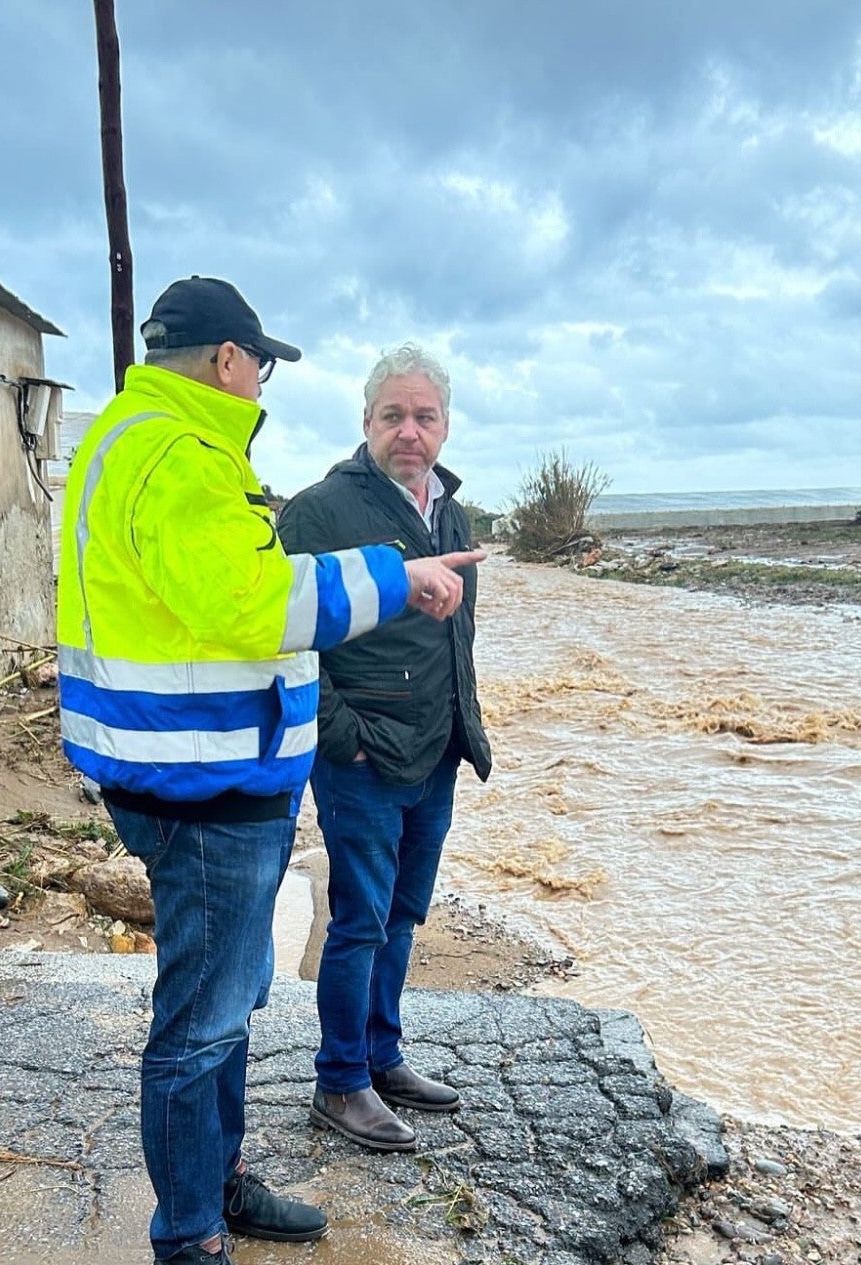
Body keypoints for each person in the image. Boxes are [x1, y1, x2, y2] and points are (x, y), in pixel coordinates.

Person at [56, 282, 484, 1265]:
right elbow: (251, 604)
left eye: (427, 416)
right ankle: (190, 1233)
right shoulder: (179, 452)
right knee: (203, 1021)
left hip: (197, 768)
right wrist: (391, 577)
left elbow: (213, 601)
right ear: (224, 360)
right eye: (260, 363)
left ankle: (217, 1185)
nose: (261, 382)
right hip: (200, 781)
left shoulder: (141, 438)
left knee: (228, 1002)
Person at [278, 343, 492, 1152]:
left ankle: (382, 1055)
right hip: (364, 757)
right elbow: (291, 639)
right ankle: (340, 1082)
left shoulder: (451, 512)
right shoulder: (318, 511)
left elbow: (457, 635)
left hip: (434, 750)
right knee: (359, 920)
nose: (410, 431)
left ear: (444, 426)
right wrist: (346, 740)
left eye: (424, 416)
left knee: (403, 913)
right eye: (393, 415)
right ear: (366, 422)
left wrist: (463, 726)